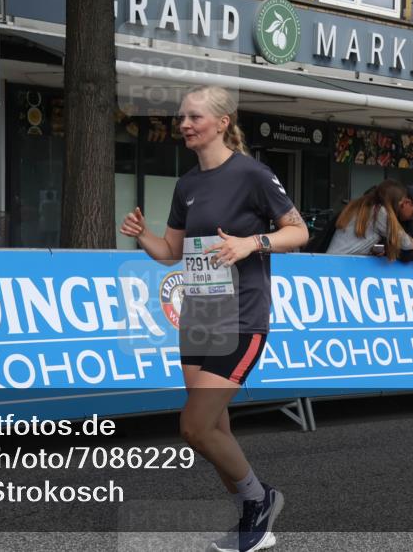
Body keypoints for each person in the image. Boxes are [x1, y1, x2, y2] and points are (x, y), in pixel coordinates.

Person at [119, 86, 308, 552]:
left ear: (223, 122)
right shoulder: (188, 185)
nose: (184, 124)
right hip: (199, 315)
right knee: (215, 426)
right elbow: (171, 253)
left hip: (241, 317)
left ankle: (260, 499)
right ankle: (252, 510)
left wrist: (251, 243)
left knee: (195, 426)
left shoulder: (253, 175)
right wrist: (144, 236)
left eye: (195, 117)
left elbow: (299, 231)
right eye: (181, 117)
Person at [326, 179, 413, 262]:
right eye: (401, 202)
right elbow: (402, 240)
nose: (401, 205)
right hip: (339, 264)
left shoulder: (366, 207)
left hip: (335, 261)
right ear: (393, 200)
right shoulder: (379, 212)